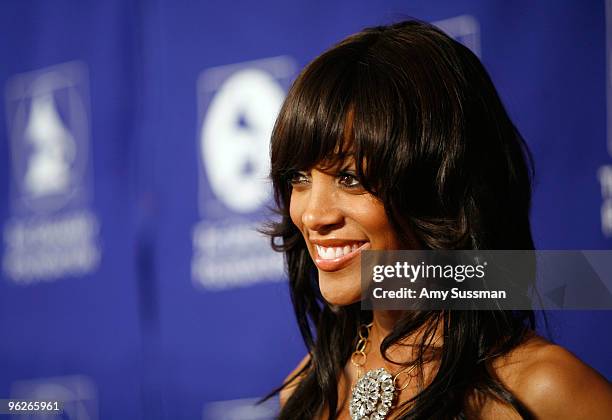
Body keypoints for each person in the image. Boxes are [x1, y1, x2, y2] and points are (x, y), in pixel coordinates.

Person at [263, 20, 612, 419]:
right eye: (299, 177)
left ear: (438, 186)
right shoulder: (306, 391)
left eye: (350, 178)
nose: (312, 215)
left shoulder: (545, 390)